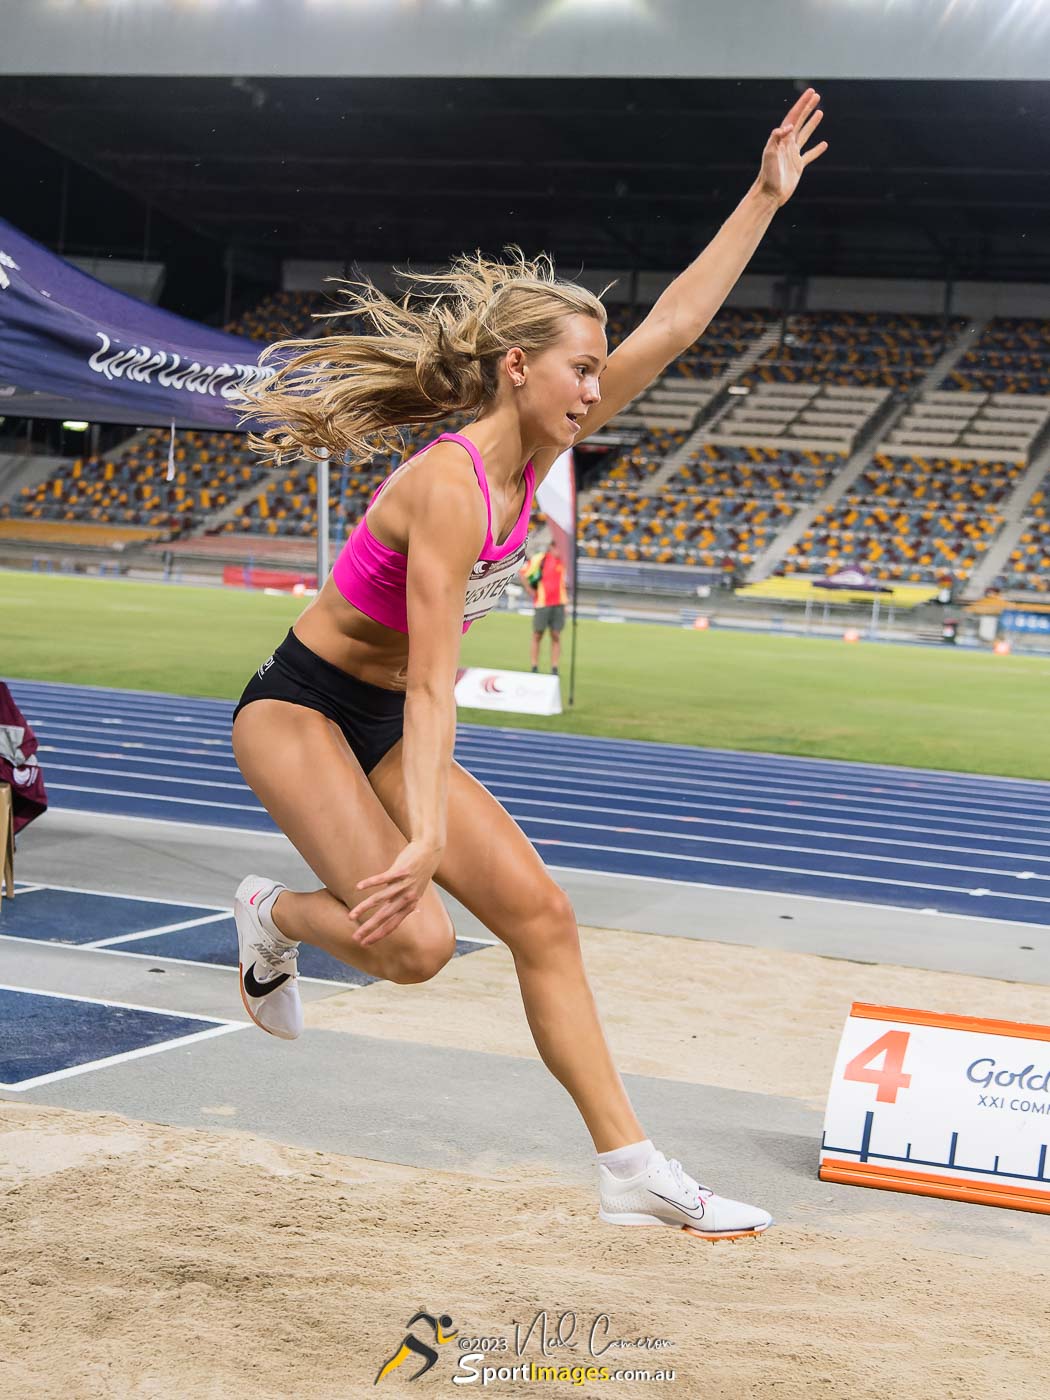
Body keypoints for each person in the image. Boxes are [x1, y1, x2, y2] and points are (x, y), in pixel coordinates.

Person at [230, 89, 827, 1242]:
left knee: (544, 916)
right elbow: (431, 680)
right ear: (518, 367)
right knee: (417, 945)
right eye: (582, 371)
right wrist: (421, 837)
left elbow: (678, 326)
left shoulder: (547, 448)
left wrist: (763, 197)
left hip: (386, 718)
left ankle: (631, 1168)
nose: (598, 390)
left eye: (600, 372)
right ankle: (275, 912)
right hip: (301, 708)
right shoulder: (451, 486)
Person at [524, 546, 568, 674]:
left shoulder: (563, 561)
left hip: (559, 603)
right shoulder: (541, 558)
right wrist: (529, 589)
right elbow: (524, 571)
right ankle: (534, 665)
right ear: (552, 547)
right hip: (542, 603)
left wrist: (566, 604)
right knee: (538, 634)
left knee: (556, 635)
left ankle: (554, 667)